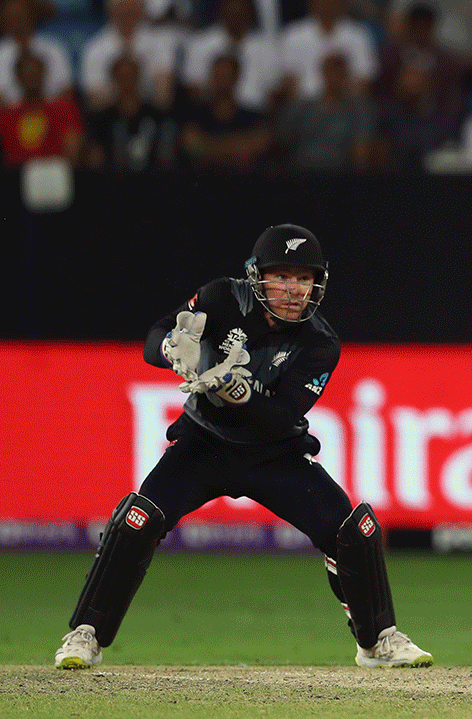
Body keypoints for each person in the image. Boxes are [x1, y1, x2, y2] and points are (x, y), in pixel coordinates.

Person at [53, 225, 434, 671]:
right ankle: (86, 634)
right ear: (257, 276)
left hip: (275, 455)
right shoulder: (220, 298)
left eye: (304, 279)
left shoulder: (321, 343)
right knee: (137, 520)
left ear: (318, 283)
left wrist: (243, 394)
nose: (294, 290)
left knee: (353, 529)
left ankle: (378, 641)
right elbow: (154, 337)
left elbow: (284, 415)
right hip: (203, 445)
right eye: (283, 277)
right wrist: (173, 349)